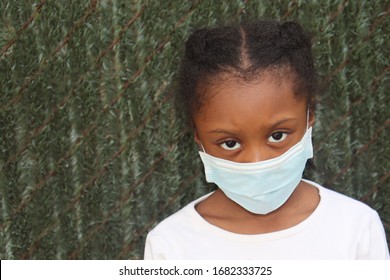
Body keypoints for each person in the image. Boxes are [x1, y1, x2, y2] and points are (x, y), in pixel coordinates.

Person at [143, 20, 389, 259]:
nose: (256, 163)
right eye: (230, 143)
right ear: (198, 135)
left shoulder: (356, 230)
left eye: (277, 136)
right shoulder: (171, 246)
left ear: (309, 116)